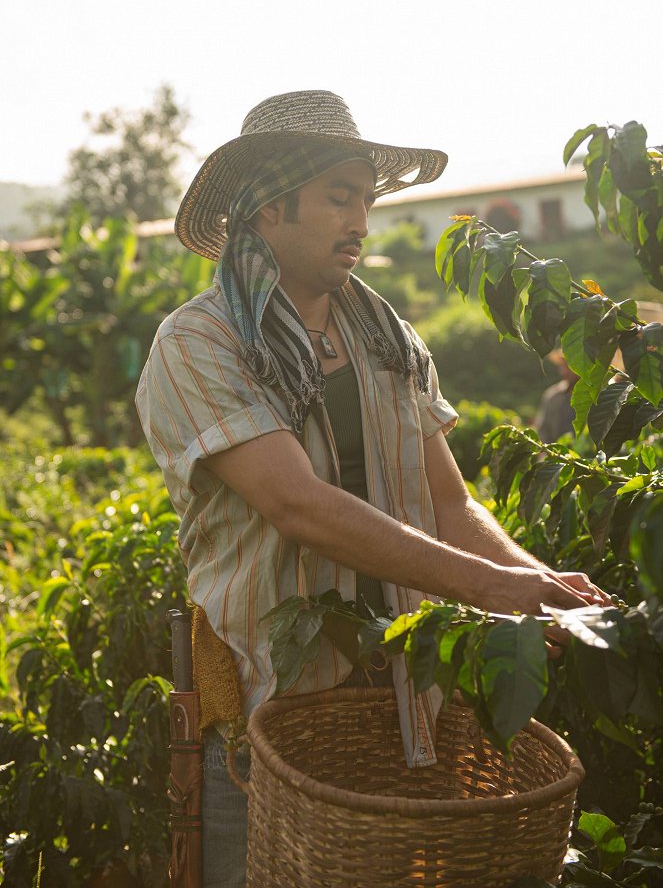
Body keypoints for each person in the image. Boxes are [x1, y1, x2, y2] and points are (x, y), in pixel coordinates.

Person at [136, 90, 608, 888]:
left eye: (366, 197)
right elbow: (297, 505)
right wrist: (497, 587)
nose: (361, 219)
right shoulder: (199, 343)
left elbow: (450, 506)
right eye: (337, 196)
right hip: (270, 714)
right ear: (266, 208)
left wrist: (547, 588)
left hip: (401, 709)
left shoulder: (385, 337)